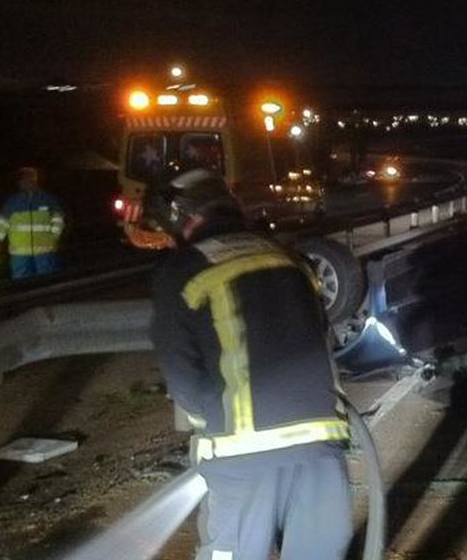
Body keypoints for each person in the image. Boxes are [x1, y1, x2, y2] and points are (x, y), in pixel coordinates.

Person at [147, 169, 352, 560]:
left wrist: (207, 424)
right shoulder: (287, 256)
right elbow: (322, 334)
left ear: (181, 217)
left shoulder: (183, 270)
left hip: (242, 455)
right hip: (320, 447)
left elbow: (181, 373)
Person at [0, 166, 65, 279]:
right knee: (22, 285)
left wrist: (53, 237)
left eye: (31, 179)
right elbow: (2, 224)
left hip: (45, 252)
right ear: (19, 182)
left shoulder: (48, 199)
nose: (28, 182)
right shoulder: (12, 202)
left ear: (36, 181)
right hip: (19, 254)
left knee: (48, 283)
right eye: (24, 180)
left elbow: (58, 220)